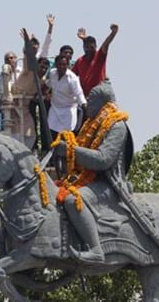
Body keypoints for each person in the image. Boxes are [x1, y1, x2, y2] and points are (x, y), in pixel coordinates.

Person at [53, 80, 132, 263]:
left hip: (109, 185)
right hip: (87, 181)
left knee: (73, 200)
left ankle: (95, 250)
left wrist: (70, 151)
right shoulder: (90, 125)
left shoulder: (116, 126)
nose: (87, 105)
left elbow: (103, 159)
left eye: (91, 100)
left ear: (102, 103)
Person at [45, 55, 86, 141]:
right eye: (59, 64)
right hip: (55, 109)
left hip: (68, 110)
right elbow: (48, 85)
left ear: (67, 65)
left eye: (64, 64)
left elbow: (79, 93)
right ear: (56, 65)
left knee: (66, 136)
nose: (62, 67)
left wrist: (84, 104)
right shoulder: (52, 73)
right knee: (51, 132)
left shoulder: (73, 78)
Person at [71, 24, 119, 96]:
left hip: (100, 95)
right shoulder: (80, 61)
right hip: (86, 97)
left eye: (92, 47)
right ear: (83, 47)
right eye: (87, 47)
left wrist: (113, 33)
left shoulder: (99, 56)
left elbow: (106, 44)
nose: (89, 50)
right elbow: (71, 76)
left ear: (96, 46)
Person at [28, 57, 52, 152]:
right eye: (41, 67)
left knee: (43, 127)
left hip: (41, 108)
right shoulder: (29, 77)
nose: (43, 70)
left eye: (45, 68)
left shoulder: (45, 81)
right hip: (28, 107)